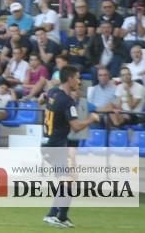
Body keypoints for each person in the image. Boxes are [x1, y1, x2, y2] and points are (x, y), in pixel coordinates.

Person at [41, 65, 102, 229]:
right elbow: (75, 126)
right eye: (77, 77)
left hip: (48, 143)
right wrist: (91, 119)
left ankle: (61, 216)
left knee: (69, 180)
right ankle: (53, 215)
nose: (79, 81)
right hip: (56, 145)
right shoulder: (66, 101)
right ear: (69, 79)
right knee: (67, 180)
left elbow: (43, 98)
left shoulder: (53, 92)